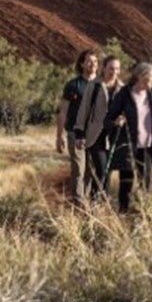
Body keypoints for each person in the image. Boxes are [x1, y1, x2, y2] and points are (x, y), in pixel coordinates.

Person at [103, 61, 152, 212]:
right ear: (140, 77)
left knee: (146, 182)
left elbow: (150, 120)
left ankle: (145, 212)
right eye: (150, 78)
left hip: (147, 145)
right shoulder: (124, 94)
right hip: (128, 144)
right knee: (127, 182)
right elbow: (108, 119)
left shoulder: (151, 95)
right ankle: (123, 212)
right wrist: (117, 121)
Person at [75, 55, 126, 203]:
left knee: (108, 171)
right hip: (96, 135)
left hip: (113, 135)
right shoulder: (94, 85)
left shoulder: (122, 88)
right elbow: (83, 109)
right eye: (111, 68)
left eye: (117, 69)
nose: (114, 72)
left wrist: (124, 118)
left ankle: (100, 202)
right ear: (103, 68)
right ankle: (95, 201)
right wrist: (79, 133)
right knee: (102, 168)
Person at [56, 49, 99, 206]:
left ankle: (85, 199)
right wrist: (59, 136)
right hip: (76, 134)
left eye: (95, 61)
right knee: (78, 169)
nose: (92, 64)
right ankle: (79, 203)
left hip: (95, 136)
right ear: (82, 64)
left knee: (91, 170)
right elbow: (63, 112)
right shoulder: (73, 85)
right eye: (89, 61)